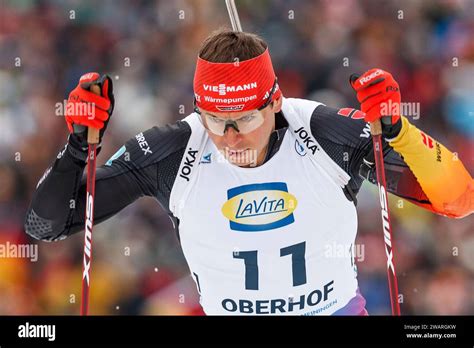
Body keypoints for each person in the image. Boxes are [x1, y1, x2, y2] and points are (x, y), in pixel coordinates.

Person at [24, 29, 473, 315]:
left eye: (245, 119)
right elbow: (44, 227)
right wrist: (78, 147)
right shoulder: (173, 149)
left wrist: (397, 130)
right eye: (216, 120)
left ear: (275, 102)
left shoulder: (323, 132)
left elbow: (459, 201)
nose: (231, 137)